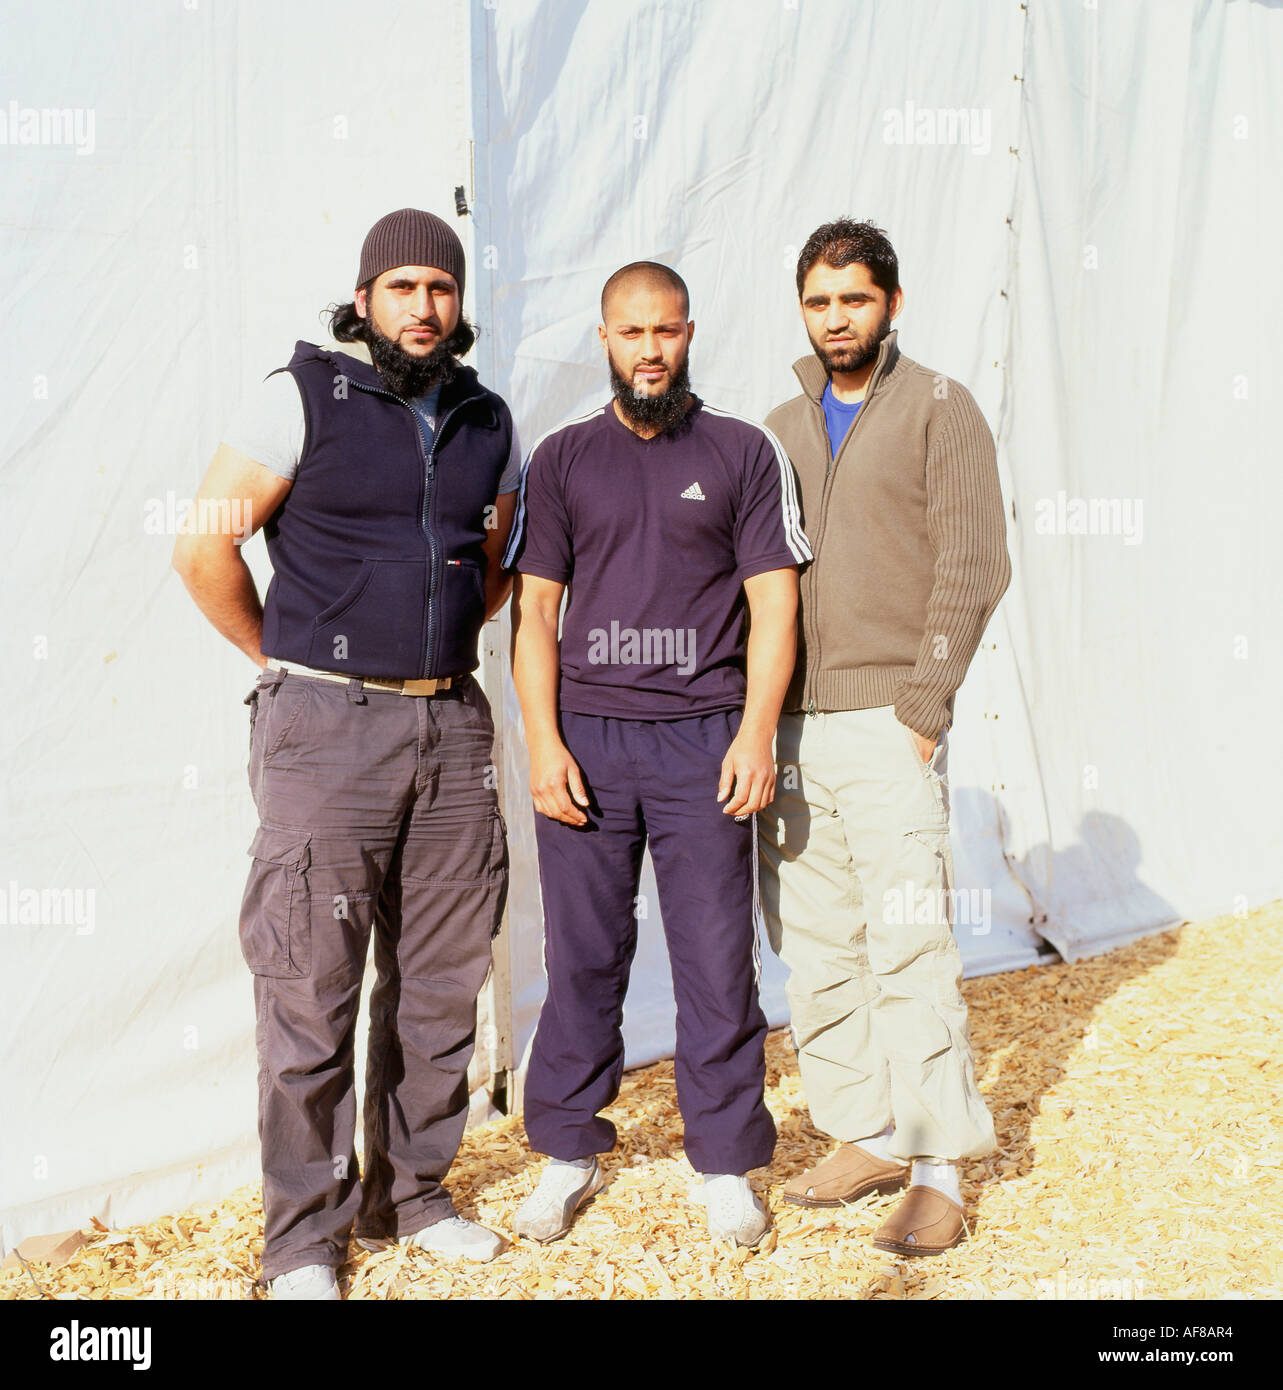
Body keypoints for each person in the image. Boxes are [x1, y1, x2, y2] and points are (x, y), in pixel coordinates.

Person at [172, 208, 522, 1299]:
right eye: (404, 285)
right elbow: (202, 545)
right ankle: (303, 1242)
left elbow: (493, 556)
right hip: (326, 728)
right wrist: (281, 660)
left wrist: (448, 640)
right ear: (364, 295)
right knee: (309, 989)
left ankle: (410, 1194)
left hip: (450, 721)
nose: (425, 307)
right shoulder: (300, 396)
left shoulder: (485, 416)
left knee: (438, 981)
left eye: (442, 289)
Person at [503, 262, 811, 1248]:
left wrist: (755, 732)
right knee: (582, 955)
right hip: (587, 740)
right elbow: (534, 610)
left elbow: (774, 603)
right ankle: (565, 1150)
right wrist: (542, 743)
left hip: (702, 743)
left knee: (715, 959)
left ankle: (724, 1161)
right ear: (602, 338)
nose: (648, 349)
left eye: (665, 330)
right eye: (630, 332)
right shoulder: (560, 460)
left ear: (689, 333)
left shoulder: (738, 452)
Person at [757, 218, 1011, 1256]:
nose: (835, 319)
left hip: (887, 721)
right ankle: (864, 1130)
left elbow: (971, 562)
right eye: (818, 302)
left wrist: (923, 708)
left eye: (853, 299)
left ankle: (939, 1164)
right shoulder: (776, 422)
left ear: (891, 303)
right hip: (789, 726)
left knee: (906, 943)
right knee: (816, 949)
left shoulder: (939, 409)